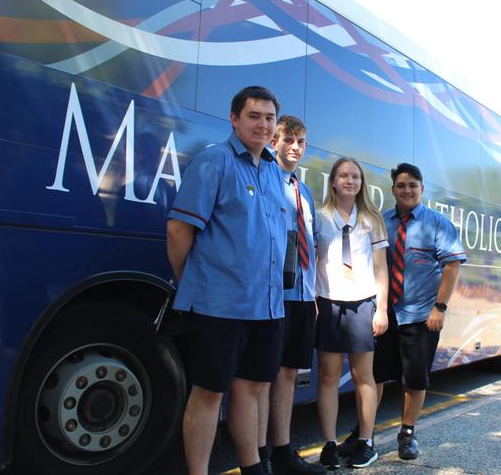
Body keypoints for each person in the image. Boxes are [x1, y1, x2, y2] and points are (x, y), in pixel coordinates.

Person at [166, 86, 287, 475]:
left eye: (269, 118)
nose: (263, 124)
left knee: (249, 390)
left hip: (266, 306)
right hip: (219, 304)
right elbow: (178, 231)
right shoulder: (214, 161)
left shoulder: (273, 170)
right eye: (254, 116)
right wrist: (193, 282)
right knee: (208, 394)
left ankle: (252, 467)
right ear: (234, 119)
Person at [339, 162, 465, 460]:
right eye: (401, 185)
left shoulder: (437, 223)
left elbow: (452, 266)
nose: (406, 190)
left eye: (412, 185)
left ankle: (407, 433)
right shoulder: (382, 222)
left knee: (414, 379)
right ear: (393, 189)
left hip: (422, 316)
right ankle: (363, 433)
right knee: (375, 376)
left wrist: (440, 308)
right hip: (384, 314)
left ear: (422, 189)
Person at [256, 116, 326, 474]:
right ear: (274, 141)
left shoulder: (305, 191)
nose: (295, 147)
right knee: (263, 374)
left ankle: (282, 451)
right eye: (288, 140)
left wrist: (312, 293)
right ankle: (259, 456)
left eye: (301, 141)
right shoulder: (263, 180)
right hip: (271, 296)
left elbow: (309, 245)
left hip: (301, 294)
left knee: (288, 373)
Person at [314, 157, 389, 469]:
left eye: (355, 176)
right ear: (332, 181)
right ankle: (330, 443)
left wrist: (381, 309)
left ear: (362, 183)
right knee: (329, 376)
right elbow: (310, 262)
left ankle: (366, 441)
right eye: (343, 175)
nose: (350, 181)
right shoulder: (318, 217)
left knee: (363, 376)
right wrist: (314, 303)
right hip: (328, 302)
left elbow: (381, 267)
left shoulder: (371, 218)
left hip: (362, 304)